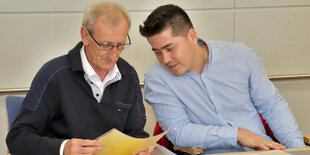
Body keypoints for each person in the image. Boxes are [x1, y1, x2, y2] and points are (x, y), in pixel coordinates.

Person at [139, 4, 306, 154]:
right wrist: (238, 135)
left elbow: (272, 105)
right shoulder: (157, 78)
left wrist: (298, 149)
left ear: (192, 36)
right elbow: (179, 132)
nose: (165, 59)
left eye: (170, 48)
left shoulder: (241, 55)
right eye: (157, 52)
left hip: (262, 152)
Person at [6, 2, 151, 155]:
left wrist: (142, 149)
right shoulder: (55, 74)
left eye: (120, 45)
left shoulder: (128, 75)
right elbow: (17, 138)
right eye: (106, 45)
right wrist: (63, 148)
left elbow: (136, 134)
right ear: (85, 36)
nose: (114, 55)